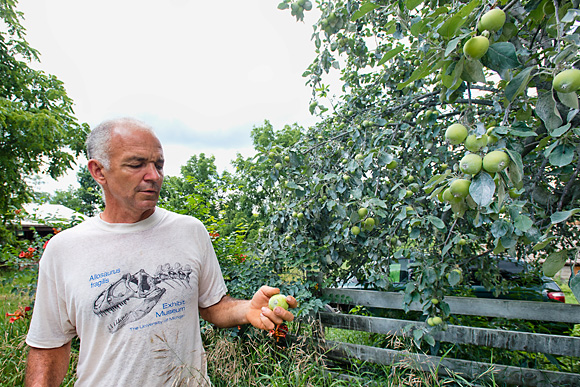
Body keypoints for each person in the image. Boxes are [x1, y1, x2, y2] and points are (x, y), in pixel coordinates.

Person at [25, 117, 297, 386]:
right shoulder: (64, 250)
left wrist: (247, 308)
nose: (154, 176)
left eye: (159, 165)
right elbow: (47, 347)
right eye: (137, 164)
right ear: (99, 171)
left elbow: (214, 306)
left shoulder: (190, 231)